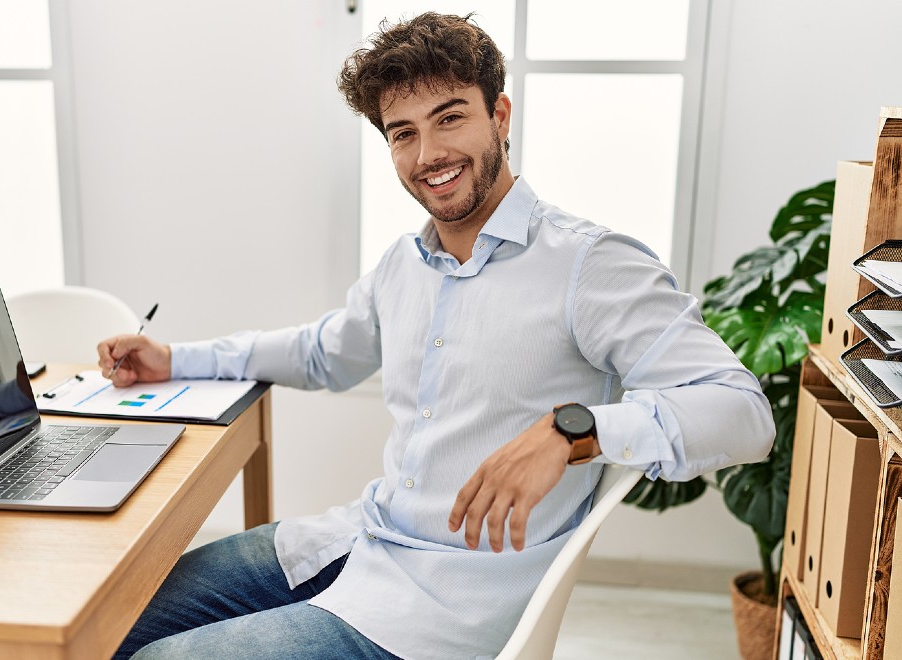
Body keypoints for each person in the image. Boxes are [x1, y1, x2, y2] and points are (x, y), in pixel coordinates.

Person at [101, 12, 775, 659]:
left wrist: (571, 430)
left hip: (442, 611)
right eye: (403, 133)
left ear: (500, 116)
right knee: (108, 618)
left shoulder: (588, 263)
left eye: (450, 117)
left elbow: (744, 414)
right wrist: (174, 358)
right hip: (360, 540)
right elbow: (323, 352)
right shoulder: (403, 263)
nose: (430, 154)